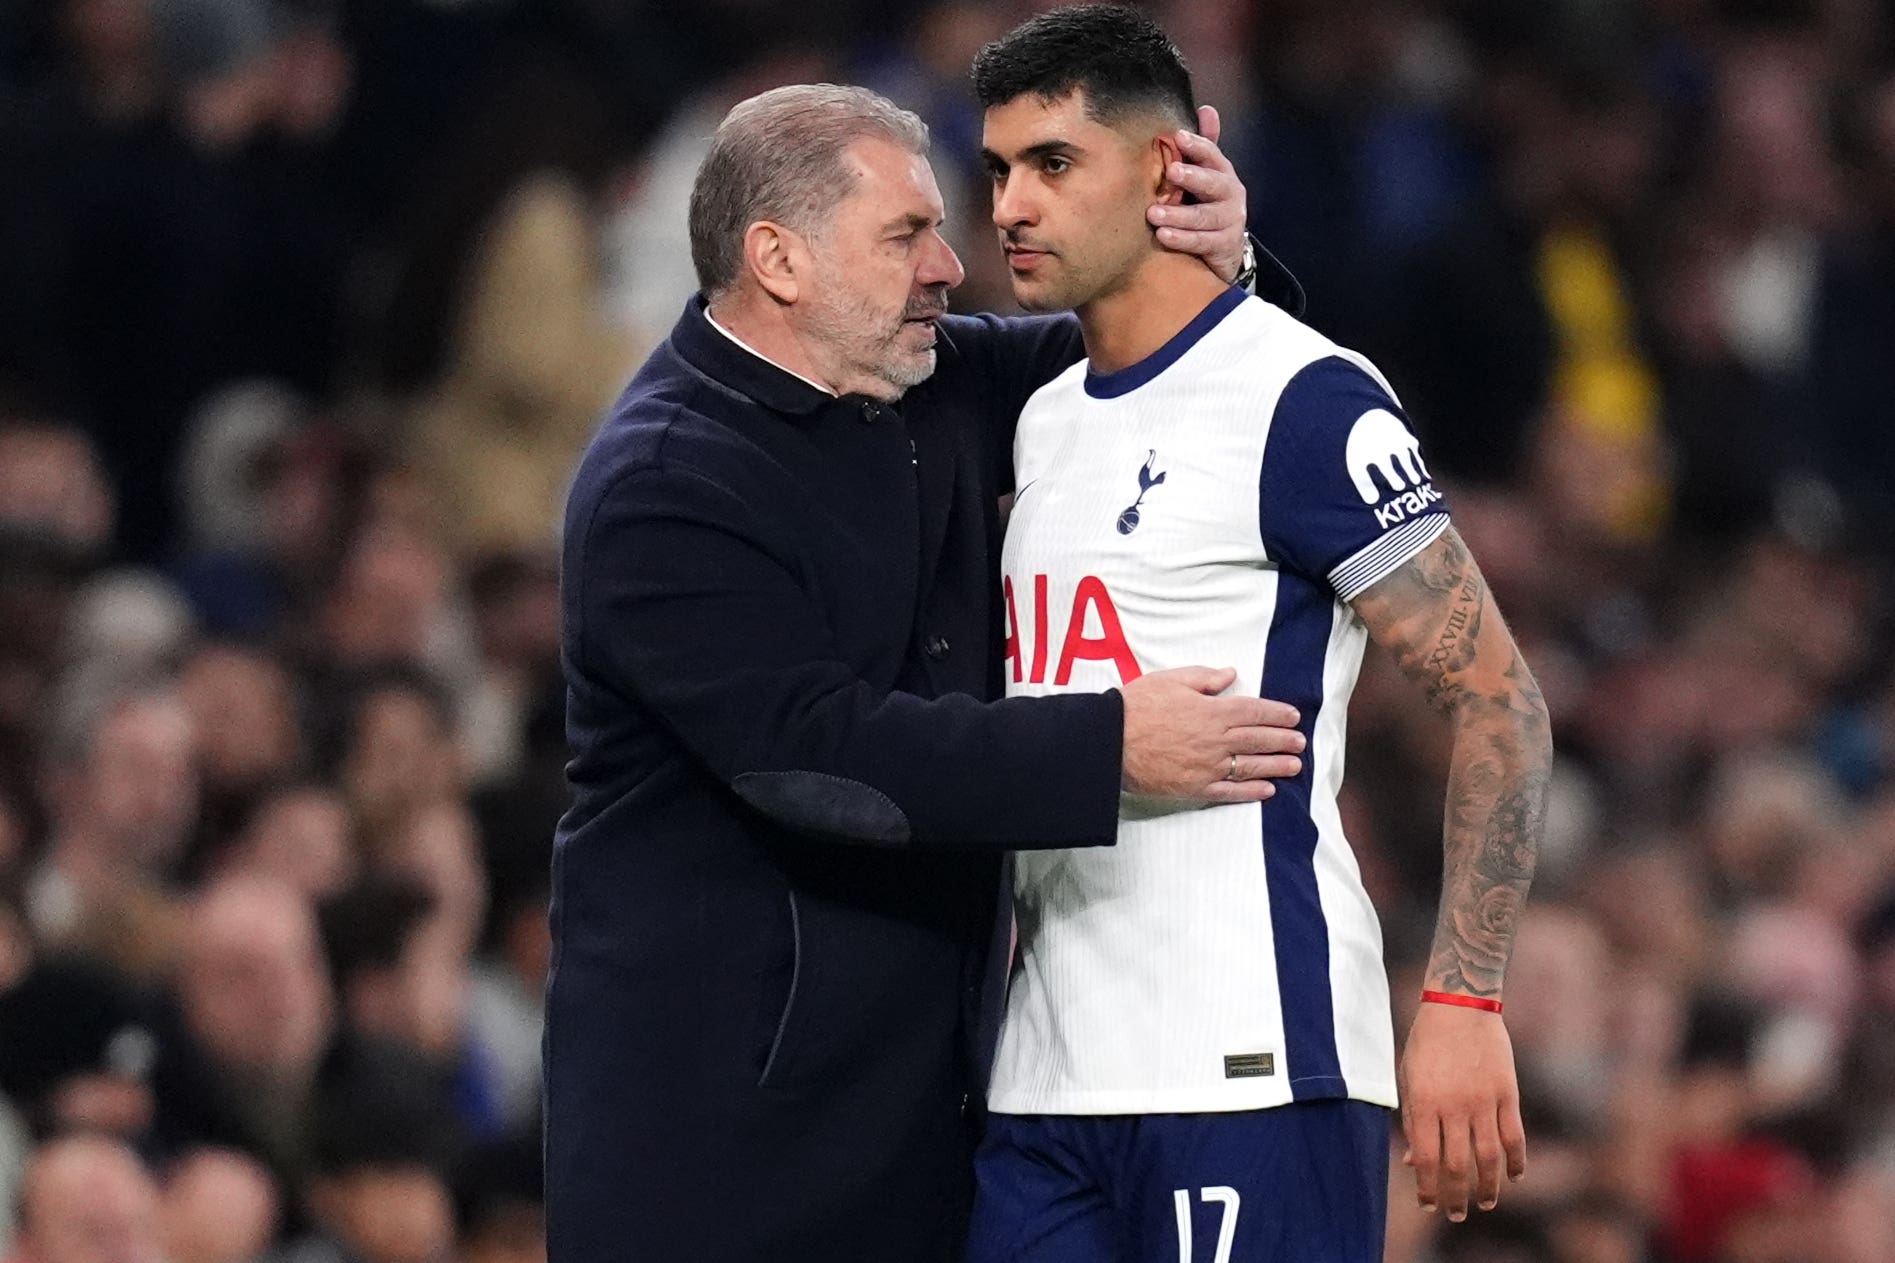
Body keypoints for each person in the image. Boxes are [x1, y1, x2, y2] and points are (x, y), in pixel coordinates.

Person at [548, 83, 1308, 1262]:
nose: (950, 268)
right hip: (715, 1155)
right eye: (905, 236)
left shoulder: (929, 377)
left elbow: (1153, 373)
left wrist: (1214, 261)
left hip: (913, 1122)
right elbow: (820, 755)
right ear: (778, 259)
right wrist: (1109, 747)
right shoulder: (663, 482)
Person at [965, 7, 1554, 1261]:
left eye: (1053, 164)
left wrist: (1458, 999)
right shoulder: (1039, 419)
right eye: (999, 169)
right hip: (1044, 1080)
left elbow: (1499, 702)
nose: (1011, 204)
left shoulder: (1300, 397)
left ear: (1172, 167)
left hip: (1251, 1063)